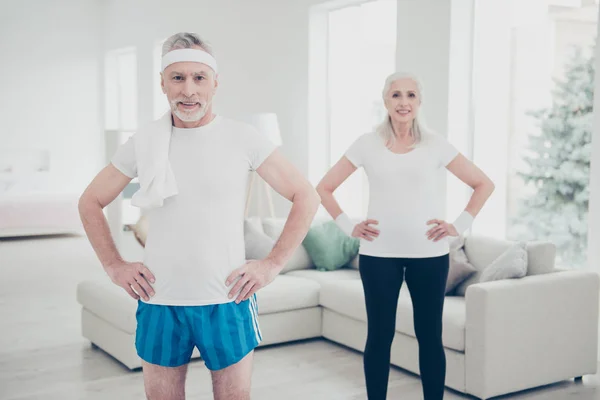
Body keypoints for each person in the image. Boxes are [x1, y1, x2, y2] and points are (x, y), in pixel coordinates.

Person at [78, 32, 320, 400]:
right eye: (178, 78)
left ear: (215, 83)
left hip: (228, 299)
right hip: (160, 299)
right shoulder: (143, 141)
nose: (188, 90)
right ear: (162, 83)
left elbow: (306, 196)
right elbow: (90, 200)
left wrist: (271, 264)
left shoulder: (244, 138)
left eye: (199, 78)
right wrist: (114, 265)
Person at [316, 72, 495, 400]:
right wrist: (348, 225)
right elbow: (324, 187)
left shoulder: (436, 144)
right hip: (378, 255)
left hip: (430, 255)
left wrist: (459, 224)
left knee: (429, 336)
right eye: (396, 95)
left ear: (419, 102)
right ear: (385, 101)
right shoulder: (366, 144)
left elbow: (483, 183)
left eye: (411, 95)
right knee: (380, 336)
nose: (403, 102)